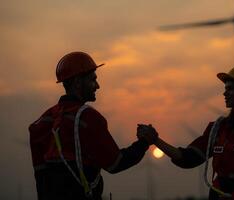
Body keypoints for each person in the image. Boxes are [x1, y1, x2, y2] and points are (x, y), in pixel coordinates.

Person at [138, 66, 234, 199]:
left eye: (231, 88)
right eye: (225, 88)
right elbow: (187, 158)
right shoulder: (217, 129)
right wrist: (156, 140)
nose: (225, 93)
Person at [29, 51, 157, 200]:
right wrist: (144, 142)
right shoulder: (88, 118)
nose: (97, 85)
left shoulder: (42, 122)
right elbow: (115, 164)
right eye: (92, 79)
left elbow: (40, 177)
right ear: (77, 82)